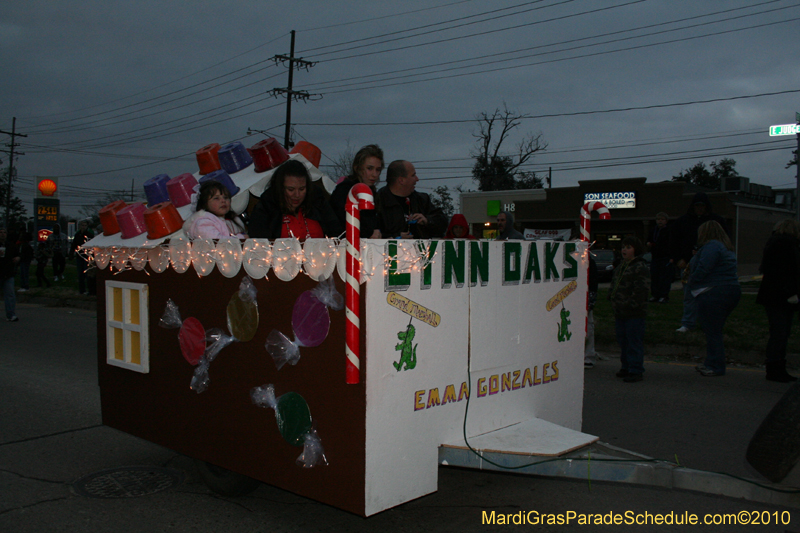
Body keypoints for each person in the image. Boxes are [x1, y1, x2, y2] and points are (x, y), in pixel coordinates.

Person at [671, 193, 728, 333]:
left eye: (702, 206)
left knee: (709, 298)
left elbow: (725, 242)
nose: (700, 209)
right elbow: (673, 242)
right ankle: (688, 323)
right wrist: (679, 259)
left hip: (709, 266)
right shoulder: (682, 222)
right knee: (689, 296)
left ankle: (709, 323)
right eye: (697, 206)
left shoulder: (716, 221)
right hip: (688, 265)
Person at [690, 220, 741, 377]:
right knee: (715, 330)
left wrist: (691, 280)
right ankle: (711, 362)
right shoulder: (726, 248)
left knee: (712, 331)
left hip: (713, 291)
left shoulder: (712, 246)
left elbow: (704, 268)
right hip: (731, 290)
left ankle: (715, 366)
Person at [249, 159, 342, 240]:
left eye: (302, 189)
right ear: (280, 188)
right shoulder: (266, 208)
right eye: (291, 189)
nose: (297, 195)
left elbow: (337, 233)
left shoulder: (318, 203)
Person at [756, 219, 800, 382]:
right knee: (780, 333)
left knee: (780, 333)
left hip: (775, 296)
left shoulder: (777, 243)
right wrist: (790, 292)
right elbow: (784, 272)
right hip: (780, 297)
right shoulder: (786, 245)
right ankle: (775, 368)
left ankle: (776, 367)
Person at [608, 236, 649, 382]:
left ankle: (636, 369)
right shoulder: (621, 266)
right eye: (623, 247)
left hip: (634, 313)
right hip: (620, 312)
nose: (624, 250)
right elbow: (615, 284)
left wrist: (631, 303)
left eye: (628, 247)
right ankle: (626, 366)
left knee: (633, 341)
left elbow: (641, 290)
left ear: (636, 250)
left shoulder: (639, 267)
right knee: (623, 341)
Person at [375, 160, 446, 239]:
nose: (417, 179)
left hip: (420, 251)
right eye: (413, 175)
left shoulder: (422, 200)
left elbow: (443, 223)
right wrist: (396, 237)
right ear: (401, 180)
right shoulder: (378, 202)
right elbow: (368, 233)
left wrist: (427, 220)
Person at [330, 144, 384, 239]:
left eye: (378, 170)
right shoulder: (345, 190)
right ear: (357, 168)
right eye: (369, 168)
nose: (374, 174)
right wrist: (369, 233)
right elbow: (340, 224)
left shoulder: (374, 194)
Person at [647, 212, 672, 303]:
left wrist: (671, 256)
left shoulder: (669, 230)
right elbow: (649, 240)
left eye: (662, 219)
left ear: (666, 221)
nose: (660, 221)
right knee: (654, 276)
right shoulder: (653, 230)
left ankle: (664, 295)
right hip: (655, 256)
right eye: (658, 219)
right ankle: (655, 295)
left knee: (664, 277)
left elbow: (671, 244)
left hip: (665, 257)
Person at [69, 220, 95, 295]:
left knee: (88, 274)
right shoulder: (77, 235)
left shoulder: (89, 234)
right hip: (79, 256)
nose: (83, 227)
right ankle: (82, 290)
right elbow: (74, 244)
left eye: (85, 225)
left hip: (87, 256)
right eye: (82, 225)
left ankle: (90, 290)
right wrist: (71, 253)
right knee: (80, 274)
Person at [0, 226, 20, 322]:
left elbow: (18, 255)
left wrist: (17, 258)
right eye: (1, 232)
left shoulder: (11, 245)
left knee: (10, 295)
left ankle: (11, 314)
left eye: (4, 232)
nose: (3, 234)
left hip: (8, 273)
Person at [584, 253, 599, 368]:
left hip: (586, 299)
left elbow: (593, 283)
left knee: (588, 328)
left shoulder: (590, 262)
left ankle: (589, 355)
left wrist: (590, 301)